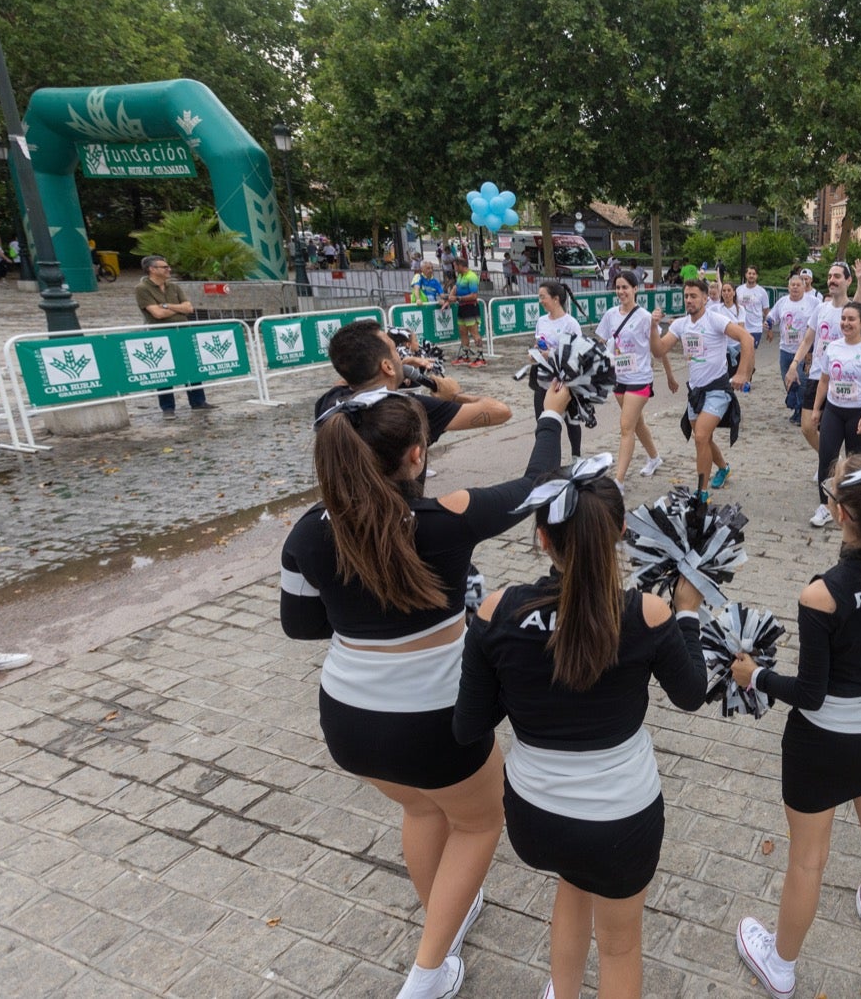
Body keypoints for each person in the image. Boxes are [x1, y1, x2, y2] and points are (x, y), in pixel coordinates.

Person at [281, 382, 573, 999]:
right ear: (417, 455)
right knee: (477, 823)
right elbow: (543, 482)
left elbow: (301, 626)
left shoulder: (306, 533)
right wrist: (550, 414)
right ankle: (428, 974)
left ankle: (448, 912)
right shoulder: (447, 520)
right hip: (435, 720)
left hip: (349, 719)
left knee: (420, 808)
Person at [455, 459, 708, 999]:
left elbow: (469, 725)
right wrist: (688, 614)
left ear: (542, 537)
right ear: (619, 532)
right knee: (618, 946)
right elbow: (691, 695)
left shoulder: (498, 610)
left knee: (573, 883)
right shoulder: (648, 613)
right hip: (619, 823)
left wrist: (516, 676)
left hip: (536, 821)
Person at [731, 459, 861, 998]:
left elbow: (811, 693)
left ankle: (781, 967)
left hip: (819, 742)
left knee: (807, 859)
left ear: (840, 512)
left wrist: (756, 676)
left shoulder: (820, 595)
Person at [316, 320, 512, 445]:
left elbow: (349, 370)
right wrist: (454, 396)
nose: (400, 356)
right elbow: (500, 411)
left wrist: (398, 365)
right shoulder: (410, 409)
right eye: (395, 350)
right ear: (387, 366)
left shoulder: (327, 403)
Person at [650, 279, 755, 501]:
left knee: (701, 437)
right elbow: (659, 350)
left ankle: (702, 492)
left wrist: (743, 373)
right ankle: (724, 468)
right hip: (695, 392)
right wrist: (652, 327)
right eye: (686, 296)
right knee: (704, 439)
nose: (689, 300)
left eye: (694, 296)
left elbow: (746, 338)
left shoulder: (716, 320)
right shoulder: (680, 325)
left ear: (706, 298)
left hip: (717, 389)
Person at [597, 270, 677, 484]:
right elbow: (603, 343)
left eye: (625, 287)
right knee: (636, 422)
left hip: (639, 378)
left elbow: (659, 349)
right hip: (618, 378)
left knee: (626, 427)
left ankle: (619, 481)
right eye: (618, 287)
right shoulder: (611, 315)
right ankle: (654, 458)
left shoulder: (645, 317)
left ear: (635, 289)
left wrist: (670, 376)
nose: (621, 291)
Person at [809, 301, 861, 527]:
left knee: (853, 460)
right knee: (827, 458)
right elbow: (824, 381)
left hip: (858, 412)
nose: (846, 323)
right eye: (843, 319)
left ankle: (850, 506)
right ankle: (824, 505)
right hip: (834, 410)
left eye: (851, 319)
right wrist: (816, 409)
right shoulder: (833, 347)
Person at [134, 255, 214, 418]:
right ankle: (168, 407)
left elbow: (189, 308)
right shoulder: (142, 289)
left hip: (182, 331)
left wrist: (167, 306)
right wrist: (177, 308)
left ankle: (198, 401)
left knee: (191, 366)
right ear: (152, 269)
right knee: (164, 370)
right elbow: (157, 313)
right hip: (160, 333)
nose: (169, 269)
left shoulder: (174, 287)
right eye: (165, 267)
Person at [788, 261, 855, 450]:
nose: (831, 280)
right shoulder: (821, 309)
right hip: (817, 375)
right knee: (807, 427)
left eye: (837, 276)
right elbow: (808, 340)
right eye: (829, 276)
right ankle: (830, 460)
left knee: (830, 428)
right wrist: (795, 364)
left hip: (840, 378)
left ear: (848, 280)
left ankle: (830, 465)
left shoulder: (853, 311)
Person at [531, 280, 587, 458]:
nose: (540, 301)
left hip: (565, 380)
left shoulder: (571, 324)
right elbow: (539, 343)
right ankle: (548, 459)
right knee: (544, 422)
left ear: (556, 299)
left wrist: (552, 354)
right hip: (543, 379)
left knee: (571, 422)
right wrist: (534, 353)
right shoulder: (541, 321)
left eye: (543, 297)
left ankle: (576, 458)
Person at [765, 274, 819, 424]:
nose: (795, 287)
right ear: (788, 287)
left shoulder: (813, 302)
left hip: (804, 350)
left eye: (798, 285)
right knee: (787, 380)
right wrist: (768, 323)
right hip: (785, 349)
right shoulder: (783, 302)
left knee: (802, 381)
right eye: (792, 285)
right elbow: (772, 316)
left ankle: (801, 410)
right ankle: (796, 406)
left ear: (804, 287)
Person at [444, 258, 484, 365]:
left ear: (461, 265)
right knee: (463, 331)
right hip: (462, 307)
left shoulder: (472, 277)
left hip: (470, 307)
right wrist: (449, 299)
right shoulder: (460, 276)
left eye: (455, 266)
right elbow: (456, 288)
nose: (454, 268)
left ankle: (481, 357)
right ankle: (465, 355)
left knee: (474, 332)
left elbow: (474, 295)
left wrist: (457, 298)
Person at [737, 266, 769, 348]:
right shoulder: (739, 290)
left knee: (751, 353)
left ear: (756, 276)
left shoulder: (762, 292)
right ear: (746, 275)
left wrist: (769, 329)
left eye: (754, 274)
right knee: (741, 354)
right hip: (741, 327)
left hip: (756, 328)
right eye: (749, 273)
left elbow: (766, 311)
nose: (751, 275)